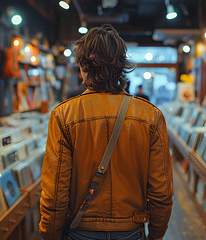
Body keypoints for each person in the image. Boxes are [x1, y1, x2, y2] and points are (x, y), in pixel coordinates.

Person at [39, 24, 173, 240]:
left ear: (83, 67)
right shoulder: (151, 115)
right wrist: (156, 235)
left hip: (80, 230)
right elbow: (162, 191)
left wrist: (49, 235)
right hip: (130, 229)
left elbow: (55, 193)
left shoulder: (63, 115)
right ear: (121, 66)